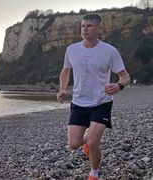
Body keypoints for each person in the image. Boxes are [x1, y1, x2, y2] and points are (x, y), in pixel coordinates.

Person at [56, 13, 130, 180]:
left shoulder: (109, 51)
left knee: (92, 141)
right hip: (79, 102)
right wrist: (62, 89)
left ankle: (94, 173)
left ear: (99, 29)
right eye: (83, 26)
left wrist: (119, 85)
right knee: (74, 144)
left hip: (101, 102)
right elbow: (65, 70)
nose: (84, 29)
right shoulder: (72, 49)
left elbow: (125, 76)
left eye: (89, 26)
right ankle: (86, 142)